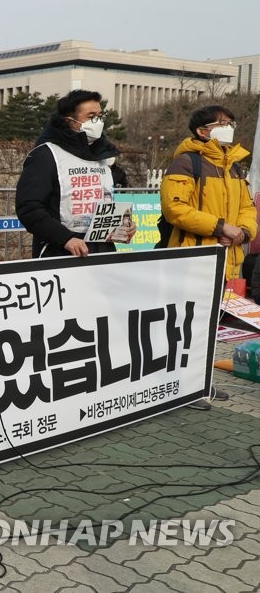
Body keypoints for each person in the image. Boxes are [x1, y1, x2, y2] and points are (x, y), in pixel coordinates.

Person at [160, 105, 254, 410]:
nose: (229, 127)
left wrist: (241, 231)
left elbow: (248, 209)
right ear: (203, 131)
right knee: (184, 326)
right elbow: (175, 209)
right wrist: (219, 227)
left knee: (208, 326)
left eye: (230, 122)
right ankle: (178, 388)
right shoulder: (187, 162)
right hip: (192, 257)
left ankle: (199, 384)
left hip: (226, 258)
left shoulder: (236, 166)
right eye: (222, 124)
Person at [15, 89, 133, 258]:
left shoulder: (103, 155)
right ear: (70, 121)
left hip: (102, 252)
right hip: (59, 252)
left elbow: (106, 199)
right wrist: (65, 239)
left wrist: (123, 227)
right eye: (91, 116)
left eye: (100, 116)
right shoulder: (46, 155)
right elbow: (29, 208)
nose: (98, 122)